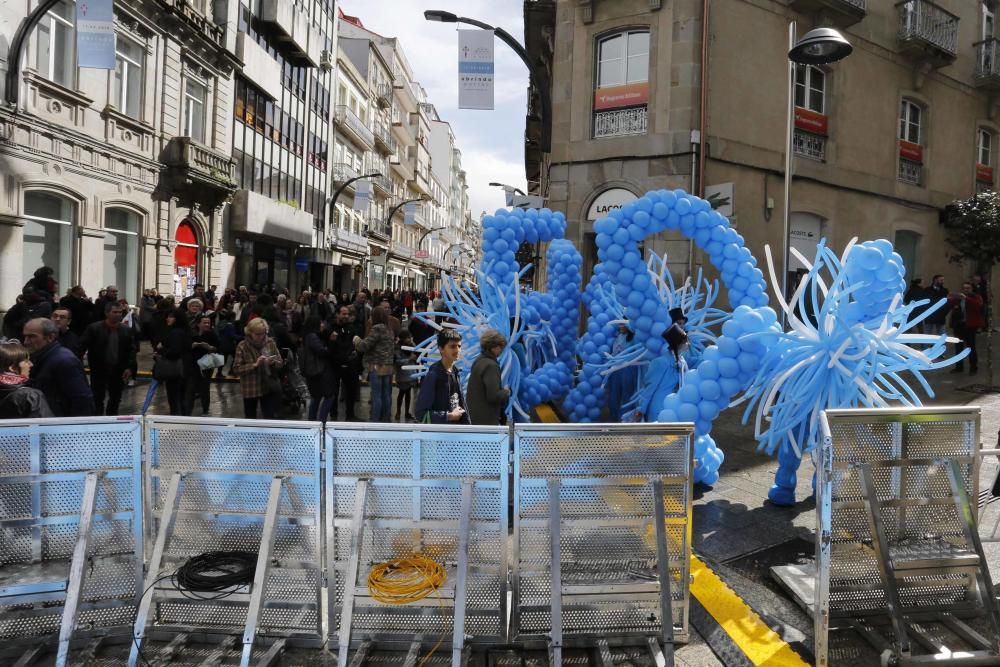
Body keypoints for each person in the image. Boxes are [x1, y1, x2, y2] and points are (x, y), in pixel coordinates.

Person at [22, 318, 94, 417]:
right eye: (25, 336)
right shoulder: (39, 357)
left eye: (32, 337)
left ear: (50, 337)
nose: (26, 341)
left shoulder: (64, 361)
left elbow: (82, 400)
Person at [81, 302, 137, 416]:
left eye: (120, 312)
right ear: (107, 313)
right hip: (99, 370)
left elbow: (131, 350)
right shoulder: (94, 329)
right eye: (114, 312)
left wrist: (130, 367)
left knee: (115, 398)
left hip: (118, 370)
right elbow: (82, 346)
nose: (118, 315)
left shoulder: (126, 330)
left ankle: (112, 419)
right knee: (97, 398)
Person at [414, 330, 470, 424]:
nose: (457, 350)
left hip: (456, 434)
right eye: (452, 346)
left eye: (459, 346)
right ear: (441, 349)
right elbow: (420, 413)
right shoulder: (434, 375)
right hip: (439, 436)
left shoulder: (455, 372)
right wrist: (448, 416)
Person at [232, 318, 284, 419]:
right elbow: (236, 369)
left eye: (263, 333)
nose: (261, 337)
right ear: (250, 333)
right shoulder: (242, 346)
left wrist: (272, 362)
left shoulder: (270, 342)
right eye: (257, 334)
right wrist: (254, 365)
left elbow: (280, 363)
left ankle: (268, 434)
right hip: (250, 388)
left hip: (268, 386)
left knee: (270, 416)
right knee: (250, 417)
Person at [355, 306, 395, 422]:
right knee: (386, 394)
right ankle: (386, 418)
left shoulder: (377, 328)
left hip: (377, 366)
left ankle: (376, 420)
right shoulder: (389, 329)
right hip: (388, 366)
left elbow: (365, 346)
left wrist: (357, 340)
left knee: (376, 396)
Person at [322, 305, 360, 422]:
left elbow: (352, 343)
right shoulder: (329, 328)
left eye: (347, 314)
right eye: (344, 314)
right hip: (334, 364)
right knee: (334, 390)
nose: (346, 316)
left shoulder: (351, 327)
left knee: (351, 388)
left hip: (349, 363)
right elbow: (327, 347)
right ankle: (333, 415)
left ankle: (350, 415)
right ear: (337, 314)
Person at [467, 329, 511, 425]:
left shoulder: (478, 360)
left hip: (475, 416)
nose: (502, 350)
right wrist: (506, 391)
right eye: (500, 346)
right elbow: (493, 396)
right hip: (487, 419)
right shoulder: (491, 366)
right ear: (493, 347)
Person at [0, 340, 54, 418]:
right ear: (12, 367)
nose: (31, 364)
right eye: (26, 361)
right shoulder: (31, 395)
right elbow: (46, 427)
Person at [155, 308, 193, 415]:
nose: (168, 319)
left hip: (175, 370)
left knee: (175, 398)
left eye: (171, 316)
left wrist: (161, 350)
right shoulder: (185, 331)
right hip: (184, 368)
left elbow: (174, 351)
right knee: (182, 397)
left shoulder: (176, 332)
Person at [187, 314, 221, 415]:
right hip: (193, 363)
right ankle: (188, 410)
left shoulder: (212, 334)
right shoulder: (192, 334)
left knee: (205, 387)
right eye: (204, 323)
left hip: (206, 363)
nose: (207, 325)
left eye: (208, 323)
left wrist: (210, 348)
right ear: (198, 324)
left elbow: (218, 348)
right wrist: (192, 346)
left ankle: (205, 409)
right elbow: (185, 347)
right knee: (191, 387)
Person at [298, 315, 330, 421]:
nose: (322, 325)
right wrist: (328, 347)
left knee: (316, 397)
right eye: (320, 322)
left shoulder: (307, 335)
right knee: (325, 396)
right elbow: (321, 351)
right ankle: (319, 421)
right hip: (315, 371)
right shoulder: (312, 336)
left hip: (311, 371)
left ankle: (312, 421)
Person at [606, 323, 639, 422]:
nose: (620, 326)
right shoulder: (617, 337)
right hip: (615, 370)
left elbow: (637, 354)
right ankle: (613, 421)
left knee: (627, 397)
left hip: (628, 369)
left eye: (622, 324)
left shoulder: (634, 338)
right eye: (619, 324)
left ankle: (625, 422)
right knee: (613, 397)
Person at [950, 281, 984, 375]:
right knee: (958, 347)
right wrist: (951, 298)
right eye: (964, 288)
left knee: (971, 346)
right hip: (959, 325)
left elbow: (978, 306)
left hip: (970, 325)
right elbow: (951, 306)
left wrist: (967, 298)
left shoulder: (976, 297)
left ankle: (973, 368)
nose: (966, 290)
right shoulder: (958, 299)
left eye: (968, 288)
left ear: (971, 289)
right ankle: (959, 367)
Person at [394, 330, 418, 422]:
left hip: (411, 373)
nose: (409, 339)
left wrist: (412, 342)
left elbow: (416, 350)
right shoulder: (398, 348)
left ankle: (407, 412)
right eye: (407, 337)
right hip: (403, 374)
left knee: (408, 394)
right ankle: (398, 411)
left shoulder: (411, 346)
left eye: (410, 337)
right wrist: (409, 359)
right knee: (401, 393)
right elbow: (397, 362)